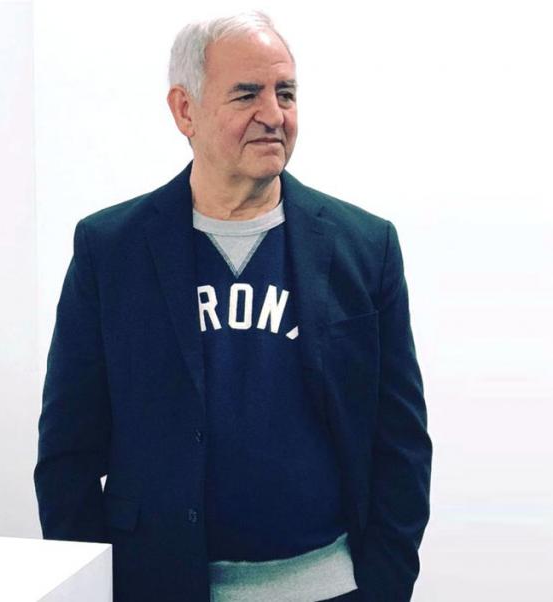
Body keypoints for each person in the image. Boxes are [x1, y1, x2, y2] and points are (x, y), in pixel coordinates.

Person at [35, 11, 431, 602]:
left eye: (285, 93)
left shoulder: (366, 248)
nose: (273, 114)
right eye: (247, 94)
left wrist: (385, 586)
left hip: (332, 589)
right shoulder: (110, 253)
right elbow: (66, 456)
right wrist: (92, 590)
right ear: (184, 110)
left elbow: (401, 443)